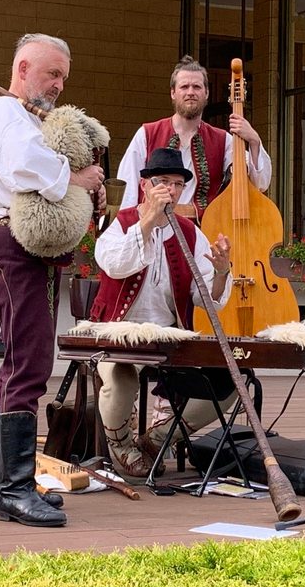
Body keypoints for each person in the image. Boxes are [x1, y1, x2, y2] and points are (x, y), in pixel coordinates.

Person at [0, 33, 105, 528]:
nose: (58, 84)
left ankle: (0, 482)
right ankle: (14, 489)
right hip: (12, 240)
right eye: (52, 73)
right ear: (23, 67)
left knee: (20, 361)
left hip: (21, 243)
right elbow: (23, 167)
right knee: (29, 361)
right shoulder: (7, 113)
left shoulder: (18, 116)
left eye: (63, 77)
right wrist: (77, 179)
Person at [89, 147, 232, 478]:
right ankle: (122, 445)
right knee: (122, 380)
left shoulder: (191, 233)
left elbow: (204, 299)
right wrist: (148, 221)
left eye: (177, 183)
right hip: (118, 332)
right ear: (145, 186)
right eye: (162, 181)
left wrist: (222, 272)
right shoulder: (120, 224)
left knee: (227, 386)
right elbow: (115, 264)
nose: (170, 188)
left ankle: (156, 440)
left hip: (169, 337)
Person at [115, 55, 271, 222]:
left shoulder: (223, 140)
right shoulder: (147, 133)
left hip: (202, 234)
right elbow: (128, 189)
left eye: (197, 87)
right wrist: (129, 231)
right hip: (154, 230)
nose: (190, 92)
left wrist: (254, 140)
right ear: (173, 93)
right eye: (184, 87)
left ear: (206, 93)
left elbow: (259, 184)